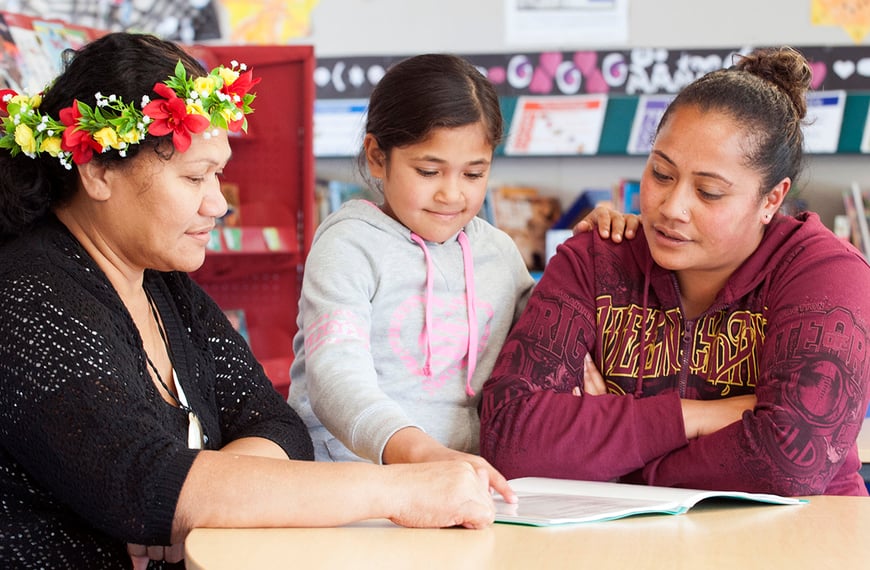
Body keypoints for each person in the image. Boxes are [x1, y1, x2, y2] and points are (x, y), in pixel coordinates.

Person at [0, 33, 500, 570]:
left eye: (218, 174)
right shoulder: (26, 298)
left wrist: (203, 502)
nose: (218, 203)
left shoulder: (163, 286)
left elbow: (276, 425)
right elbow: (145, 484)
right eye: (195, 177)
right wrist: (401, 491)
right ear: (97, 170)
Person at [480, 46, 870, 497]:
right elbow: (508, 438)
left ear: (771, 199)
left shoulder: (826, 274)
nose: (671, 208)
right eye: (662, 174)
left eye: (708, 192)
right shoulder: (596, 258)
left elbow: (789, 462)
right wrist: (697, 417)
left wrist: (612, 457)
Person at [287, 53, 636, 502]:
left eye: (474, 173)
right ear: (377, 157)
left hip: (463, 488)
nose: (452, 193)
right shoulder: (348, 246)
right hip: (349, 487)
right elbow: (335, 379)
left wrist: (599, 249)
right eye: (428, 171)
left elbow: (548, 336)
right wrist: (423, 456)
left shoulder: (497, 251)